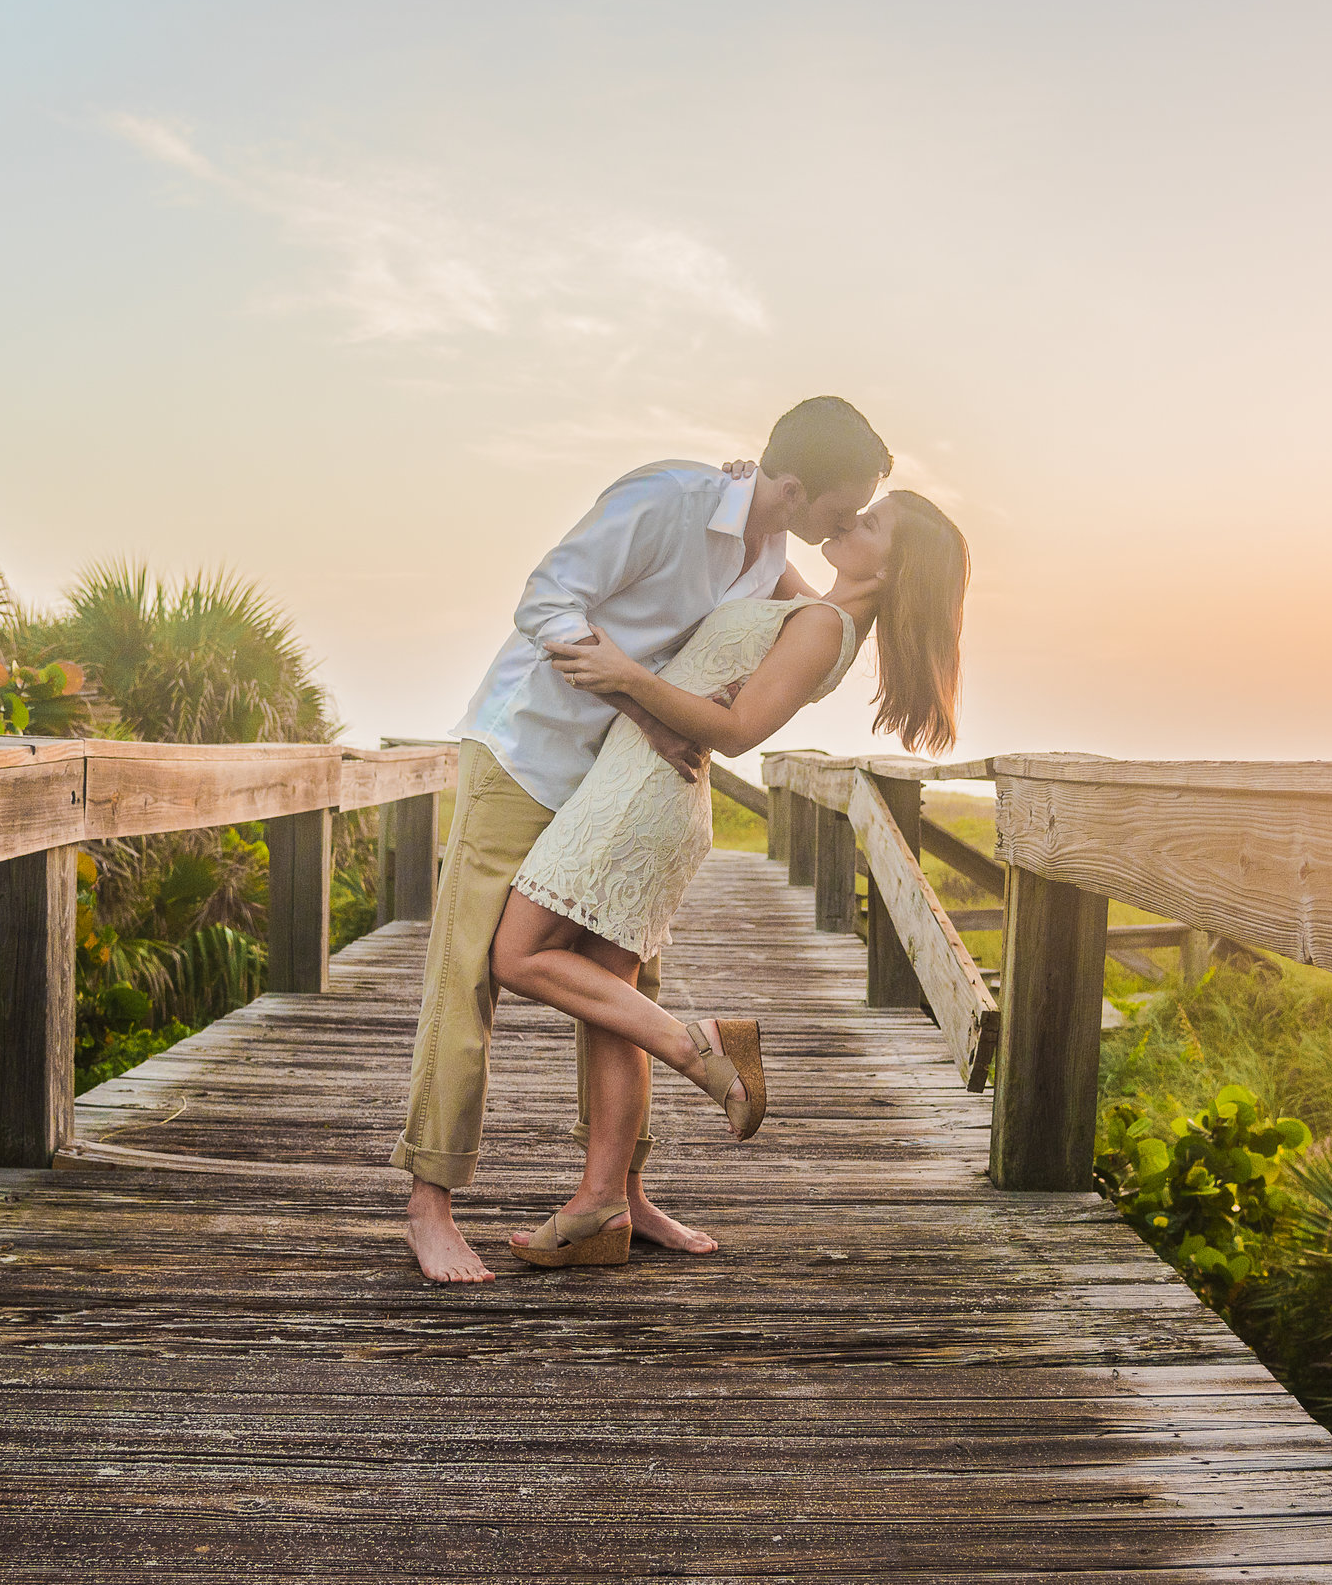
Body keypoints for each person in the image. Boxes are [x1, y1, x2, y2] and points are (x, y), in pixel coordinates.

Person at [398, 397, 892, 1285]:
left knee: (624, 982)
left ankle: (619, 1194)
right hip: (528, 751)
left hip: (615, 780)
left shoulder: (775, 548)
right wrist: (639, 704)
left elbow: (820, 633)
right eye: (842, 506)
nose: (847, 523)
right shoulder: (667, 499)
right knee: (471, 970)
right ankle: (429, 1205)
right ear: (792, 483)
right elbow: (543, 599)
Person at [491, 489, 970, 1267]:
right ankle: (603, 1206)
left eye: (872, 523)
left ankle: (700, 1046)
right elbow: (768, 551)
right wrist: (759, 489)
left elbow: (741, 731)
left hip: (637, 795)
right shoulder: (825, 614)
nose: (853, 520)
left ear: (894, 567)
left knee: (516, 955)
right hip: (644, 791)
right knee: (611, 1006)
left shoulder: (824, 627)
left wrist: (625, 674)